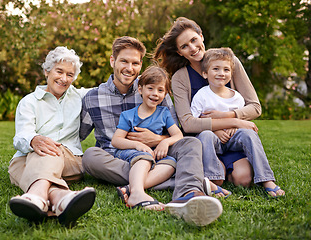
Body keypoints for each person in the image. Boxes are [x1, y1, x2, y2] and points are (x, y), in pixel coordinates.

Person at [80, 36, 222, 226]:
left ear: (140, 66)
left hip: (156, 154)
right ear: (113, 61)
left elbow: (176, 133)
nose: (129, 68)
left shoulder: (154, 88)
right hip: (115, 158)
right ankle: (177, 179)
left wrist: (156, 139)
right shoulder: (92, 98)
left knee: (191, 143)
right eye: (124, 61)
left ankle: (187, 193)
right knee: (90, 155)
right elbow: (77, 136)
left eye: (135, 63)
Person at [153, 17, 284, 197]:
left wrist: (229, 118)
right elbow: (188, 123)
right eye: (184, 46)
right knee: (218, 175)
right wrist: (228, 122)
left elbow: (255, 107)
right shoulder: (180, 78)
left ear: (201, 36)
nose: (192, 48)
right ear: (179, 52)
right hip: (205, 140)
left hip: (233, 136)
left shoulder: (228, 62)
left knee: (243, 180)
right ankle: (213, 176)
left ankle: (265, 179)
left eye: (193, 40)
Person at [8, 46, 96, 227]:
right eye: (59, 71)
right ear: (47, 71)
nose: (64, 79)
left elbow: (108, 89)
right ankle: (62, 199)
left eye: (70, 75)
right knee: (29, 160)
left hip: (69, 160)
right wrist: (33, 140)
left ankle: (37, 197)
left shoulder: (80, 96)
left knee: (49, 149)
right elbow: (21, 136)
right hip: (24, 160)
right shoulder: (29, 102)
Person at [191, 47, 285, 197]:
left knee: (248, 133)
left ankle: (266, 179)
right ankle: (212, 180)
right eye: (216, 69)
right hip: (212, 139)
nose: (221, 73)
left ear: (231, 74)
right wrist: (216, 130)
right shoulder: (202, 96)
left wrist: (233, 124)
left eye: (226, 70)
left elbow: (240, 120)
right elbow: (194, 121)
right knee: (205, 135)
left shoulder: (237, 97)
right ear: (205, 73)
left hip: (233, 139)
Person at [111, 65, 183, 210]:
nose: (155, 93)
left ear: (166, 93)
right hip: (132, 152)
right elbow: (116, 140)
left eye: (160, 90)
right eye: (150, 88)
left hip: (153, 155)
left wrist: (165, 142)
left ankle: (131, 188)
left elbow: (178, 135)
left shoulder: (164, 113)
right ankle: (137, 193)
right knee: (144, 156)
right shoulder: (129, 115)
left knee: (171, 164)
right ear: (140, 89)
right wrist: (138, 145)